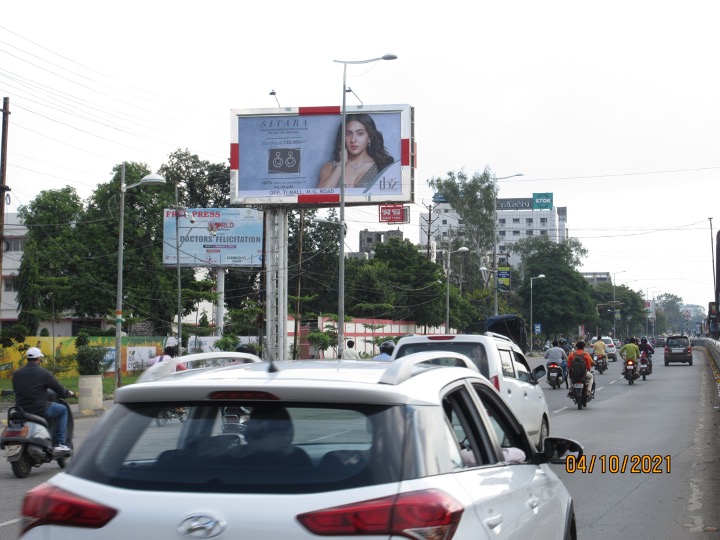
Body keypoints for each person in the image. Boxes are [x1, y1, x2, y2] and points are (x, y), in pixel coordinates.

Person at [12, 347, 75, 452]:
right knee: (63, 409)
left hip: (21, 410)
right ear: (38, 359)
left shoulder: (17, 374)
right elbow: (59, 388)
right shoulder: (43, 373)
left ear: (28, 358)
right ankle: (59, 443)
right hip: (39, 409)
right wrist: (68, 393)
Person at [317, 114, 394, 190]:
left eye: (360, 133)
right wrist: (341, 165)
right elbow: (318, 198)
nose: (353, 140)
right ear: (343, 138)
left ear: (369, 138)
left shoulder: (382, 167)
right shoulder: (330, 167)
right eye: (348, 134)